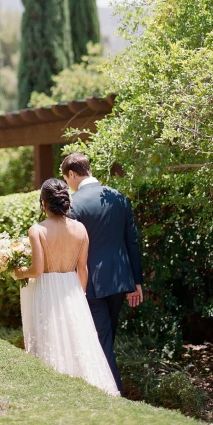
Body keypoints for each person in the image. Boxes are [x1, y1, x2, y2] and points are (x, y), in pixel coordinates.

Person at [12, 178, 120, 395]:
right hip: (73, 291)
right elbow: (83, 269)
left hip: (46, 292)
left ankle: (51, 390)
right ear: (66, 202)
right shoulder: (80, 229)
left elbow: (37, 270)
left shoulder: (37, 230)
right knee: (77, 342)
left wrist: (18, 273)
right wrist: (79, 295)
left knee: (49, 339)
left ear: (43, 203)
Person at [62, 152, 144, 396]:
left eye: (66, 179)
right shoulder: (118, 197)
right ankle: (105, 391)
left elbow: (70, 248)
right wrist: (136, 282)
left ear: (73, 174)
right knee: (106, 338)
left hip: (91, 284)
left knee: (101, 341)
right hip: (120, 281)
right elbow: (133, 242)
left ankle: (113, 395)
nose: (68, 184)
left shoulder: (74, 204)